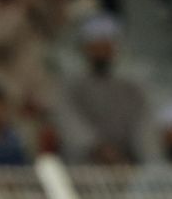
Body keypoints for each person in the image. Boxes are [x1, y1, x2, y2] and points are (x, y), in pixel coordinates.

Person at [56, 13, 149, 164]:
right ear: (85, 49)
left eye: (106, 47)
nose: (101, 52)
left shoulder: (131, 85)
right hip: (83, 159)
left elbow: (142, 123)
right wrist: (97, 146)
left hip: (125, 159)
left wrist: (126, 153)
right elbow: (69, 119)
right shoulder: (71, 83)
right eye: (96, 48)